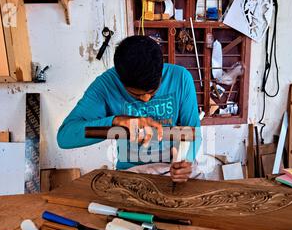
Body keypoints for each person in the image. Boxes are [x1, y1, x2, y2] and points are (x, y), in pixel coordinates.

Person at [57, 35, 201, 183]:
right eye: (135, 94)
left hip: (172, 170)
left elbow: (194, 133)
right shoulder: (106, 85)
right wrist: (116, 121)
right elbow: (64, 137)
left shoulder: (180, 78)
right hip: (131, 174)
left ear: (161, 70)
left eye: (152, 91)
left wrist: (186, 161)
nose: (145, 99)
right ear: (120, 78)